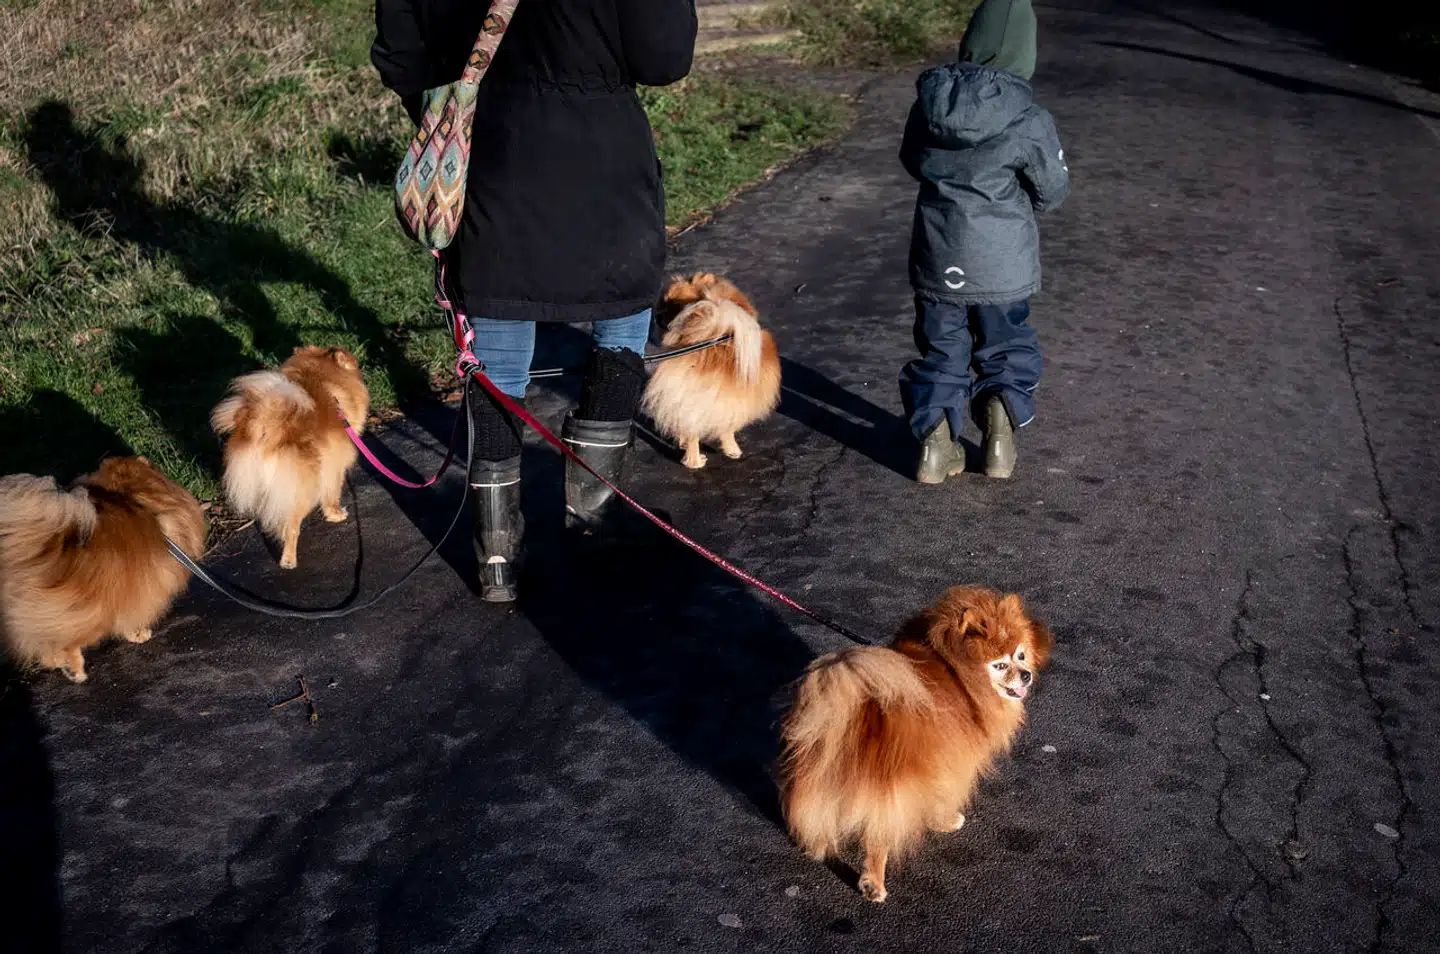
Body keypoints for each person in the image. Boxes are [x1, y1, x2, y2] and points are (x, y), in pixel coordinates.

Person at [372, 0, 698, 600]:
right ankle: (596, 525)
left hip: (492, 164)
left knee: (496, 359)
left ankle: (497, 558)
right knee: (620, 328)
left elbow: (400, 53)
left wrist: (454, 106)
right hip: (603, 169)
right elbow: (665, 58)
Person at [897, 0, 1069, 484]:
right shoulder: (1029, 117)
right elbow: (1051, 192)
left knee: (939, 347)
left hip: (937, 253)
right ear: (1024, 55)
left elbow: (913, 161)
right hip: (1002, 261)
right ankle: (998, 441)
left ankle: (935, 448)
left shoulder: (928, 103)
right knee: (1004, 344)